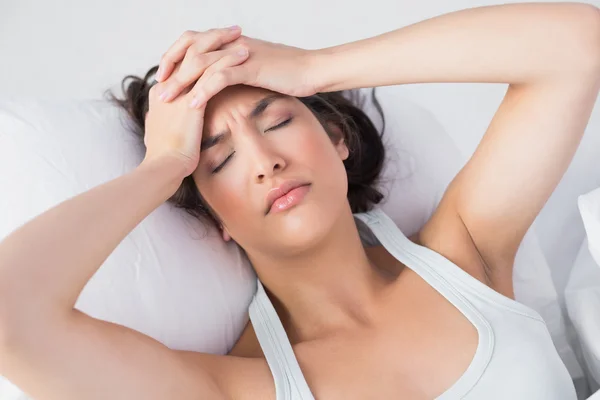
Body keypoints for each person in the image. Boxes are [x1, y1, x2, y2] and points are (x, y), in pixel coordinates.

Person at [0, 2, 598, 399]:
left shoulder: (465, 256)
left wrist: (317, 66)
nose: (265, 162)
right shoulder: (241, 387)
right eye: (220, 160)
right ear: (218, 220)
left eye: (278, 120)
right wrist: (163, 168)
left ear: (336, 138)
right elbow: (11, 319)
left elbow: (578, 44)